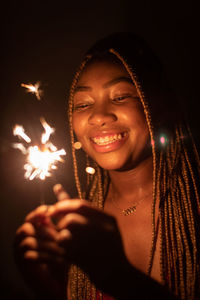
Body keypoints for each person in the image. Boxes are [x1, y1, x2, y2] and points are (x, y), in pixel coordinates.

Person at [14, 33, 200, 300]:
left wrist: (118, 277)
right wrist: (50, 288)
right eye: (84, 104)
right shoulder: (74, 228)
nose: (99, 116)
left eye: (121, 97)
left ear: (156, 106)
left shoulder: (193, 208)